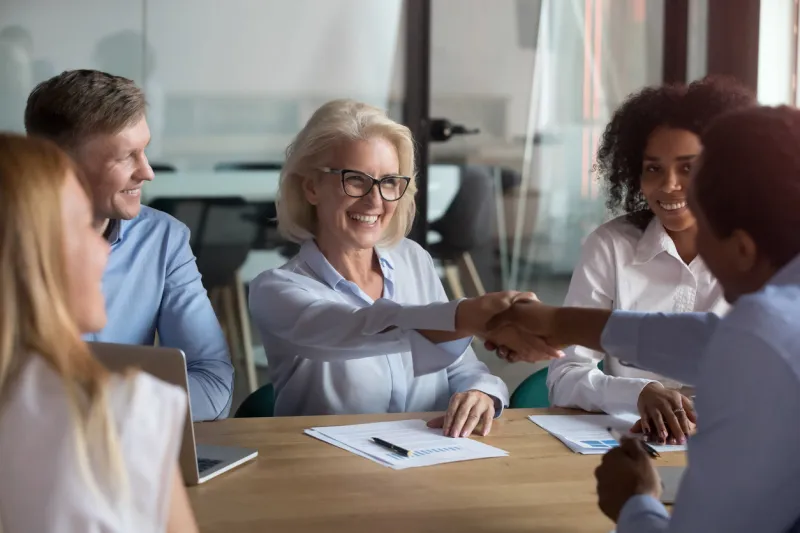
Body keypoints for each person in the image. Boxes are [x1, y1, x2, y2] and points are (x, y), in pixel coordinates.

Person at [487, 105, 800, 532]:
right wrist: (549, 319)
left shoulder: (762, 333)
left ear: (743, 250)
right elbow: (703, 339)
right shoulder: (777, 317)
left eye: (703, 235)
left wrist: (634, 503)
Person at [249, 99, 559, 437]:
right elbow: (359, 327)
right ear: (311, 187)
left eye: (389, 182)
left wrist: (480, 392)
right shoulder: (276, 290)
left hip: (426, 464)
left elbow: (461, 366)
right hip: (329, 474)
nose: (375, 201)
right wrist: (472, 315)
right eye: (355, 180)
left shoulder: (412, 259)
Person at [0, 134, 198, 532]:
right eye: (82, 226)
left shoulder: (167, 236)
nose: (106, 250)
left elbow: (213, 368)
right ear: (29, 256)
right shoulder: (123, 413)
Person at [545, 76, 755, 444]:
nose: (669, 184)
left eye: (688, 168)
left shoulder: (761, 254)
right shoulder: (610, 247)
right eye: (653, 168)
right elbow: (564, 377)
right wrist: (638, 393)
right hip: (627, 448)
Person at [24, 69, 233, 421]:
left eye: (145, 151)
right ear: (59, 163)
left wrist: (113, 412)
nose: (148, 172)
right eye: (126, 156)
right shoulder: (11, 240)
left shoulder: (163, 238)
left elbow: (212, 380)